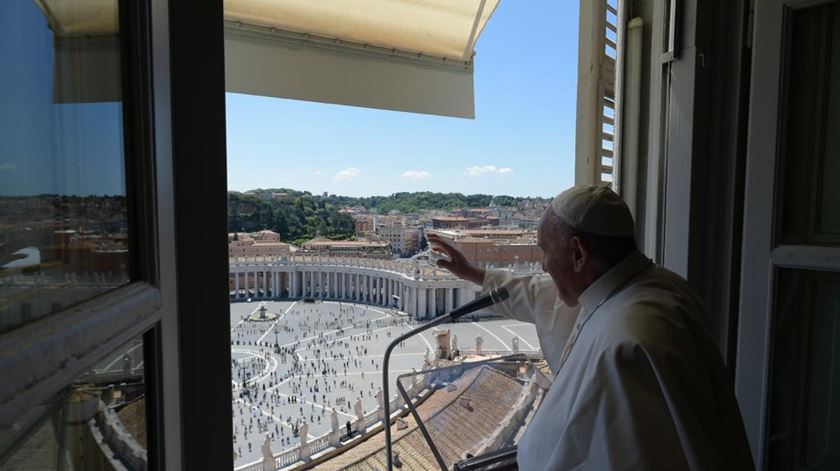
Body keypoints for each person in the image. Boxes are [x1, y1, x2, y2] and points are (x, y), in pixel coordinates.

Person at [428, 185, 755, 471]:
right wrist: (474, 274)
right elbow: (539, 292)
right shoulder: (651, 287)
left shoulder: (628, 343)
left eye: (544, 249)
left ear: (578, 253)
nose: (543, 265)